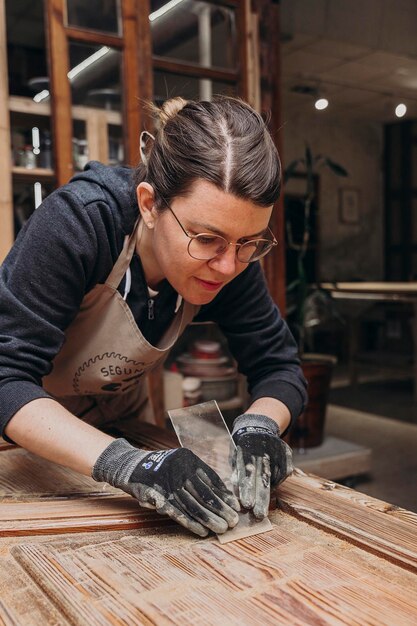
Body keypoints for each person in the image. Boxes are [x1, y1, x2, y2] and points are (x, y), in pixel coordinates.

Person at [0, 96, 307, 537]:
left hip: (119, 422)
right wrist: (127, 463)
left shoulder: (233, 257)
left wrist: (260, 427)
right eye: (205, 240)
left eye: (250, 242)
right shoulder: (81, 224)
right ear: (149, 203)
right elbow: (6, 377)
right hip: (22, 437)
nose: (227, 265)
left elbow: (278, 366)